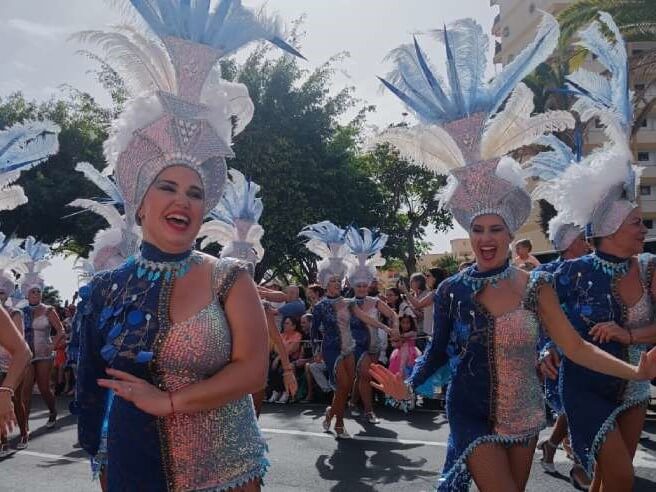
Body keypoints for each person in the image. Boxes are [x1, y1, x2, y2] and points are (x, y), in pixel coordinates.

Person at [370, 12, 656, 491]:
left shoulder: (536, 285)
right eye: (477, 228)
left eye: (495, 229)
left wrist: (634, 368)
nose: (485, 238)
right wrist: (410, 386)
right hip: (470, 414)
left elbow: (575, 346)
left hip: (525, 417)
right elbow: (438, 354)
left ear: (508, 233)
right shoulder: (454, 291)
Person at [73, 2, 302, 489]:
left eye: (195, 192)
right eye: (168, 187)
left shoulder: (228, 276)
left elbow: (252, 371)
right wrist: (103, 459)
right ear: (139, 203)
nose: (183, 201)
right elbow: (90, 393)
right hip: (135, 465)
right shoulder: (102, 291)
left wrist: (170, 402)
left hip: (228, 469)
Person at [533, 14, 656, 491]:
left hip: (636, 383)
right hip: (585, 383)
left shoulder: (649, 268)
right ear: (606, 230)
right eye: (635, 225)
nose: (642, 232)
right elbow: (549, 320)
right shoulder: (569, 271)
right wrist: (547, 347)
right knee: (622, 478)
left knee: (612, 480)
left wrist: (628, 332)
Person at [197, 169, 297, 416]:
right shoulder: (210, 308)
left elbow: (274, 335)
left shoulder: (259, 306)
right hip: (222, 376)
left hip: (254, 374)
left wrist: (287, 370)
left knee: (253, 419)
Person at [300, 221, 393, 439]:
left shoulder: (349, 302)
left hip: (350, 348)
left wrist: (387, 327)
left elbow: (366, 319)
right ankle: (339, 422)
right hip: (332, 349)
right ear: (324, 283)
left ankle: (330, 413)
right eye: (332, 281)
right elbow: (313, 331)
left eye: (338, 280)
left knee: (345, 388)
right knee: (342, 385)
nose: (336, 284)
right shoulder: (321, 306)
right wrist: (316, 351)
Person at [344, 226, 399, 424]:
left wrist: (397, 327)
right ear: (352, 285)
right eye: (358, 285)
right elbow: (367, 319)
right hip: (355, 346)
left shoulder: (376, 301)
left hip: (374, 345)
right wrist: (386, 328)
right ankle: (368, 411)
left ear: (368, 285)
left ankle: (352, 402)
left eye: (364, 285)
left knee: (364, 375)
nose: (361, 288)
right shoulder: (348, 303)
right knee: (365, 376)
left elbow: (393, 314)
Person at [19, 245, 66, 432]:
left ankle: (53, 412)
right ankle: (25, 426)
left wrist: (53, 346)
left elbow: (61, 330)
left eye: (38, 291)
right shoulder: (21, 311)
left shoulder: (48, 310)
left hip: (44, 353)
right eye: (33, 291)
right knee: (26, 390)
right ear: (27, 293)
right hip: (28, 354)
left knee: (44, 388)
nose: (36, 294)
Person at [0, 270, 31, 456]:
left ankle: (23, 433)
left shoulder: (13, 313)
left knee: (16, 400)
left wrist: (6, 390)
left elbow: (22, 351)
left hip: (9, 365)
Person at [267, 316, 302, 404]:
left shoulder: (297, 335)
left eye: (287, 323)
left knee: (281, 369)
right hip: (278, 357)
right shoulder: (281, 335)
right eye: (284, 323)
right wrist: (280, 353)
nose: (284, 325)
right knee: (270, 367)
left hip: (291, 358)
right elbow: (275, 348)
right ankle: (276, 391)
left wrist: (279, 356)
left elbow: (292, 349)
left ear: (293, 326)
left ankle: (285, 392)